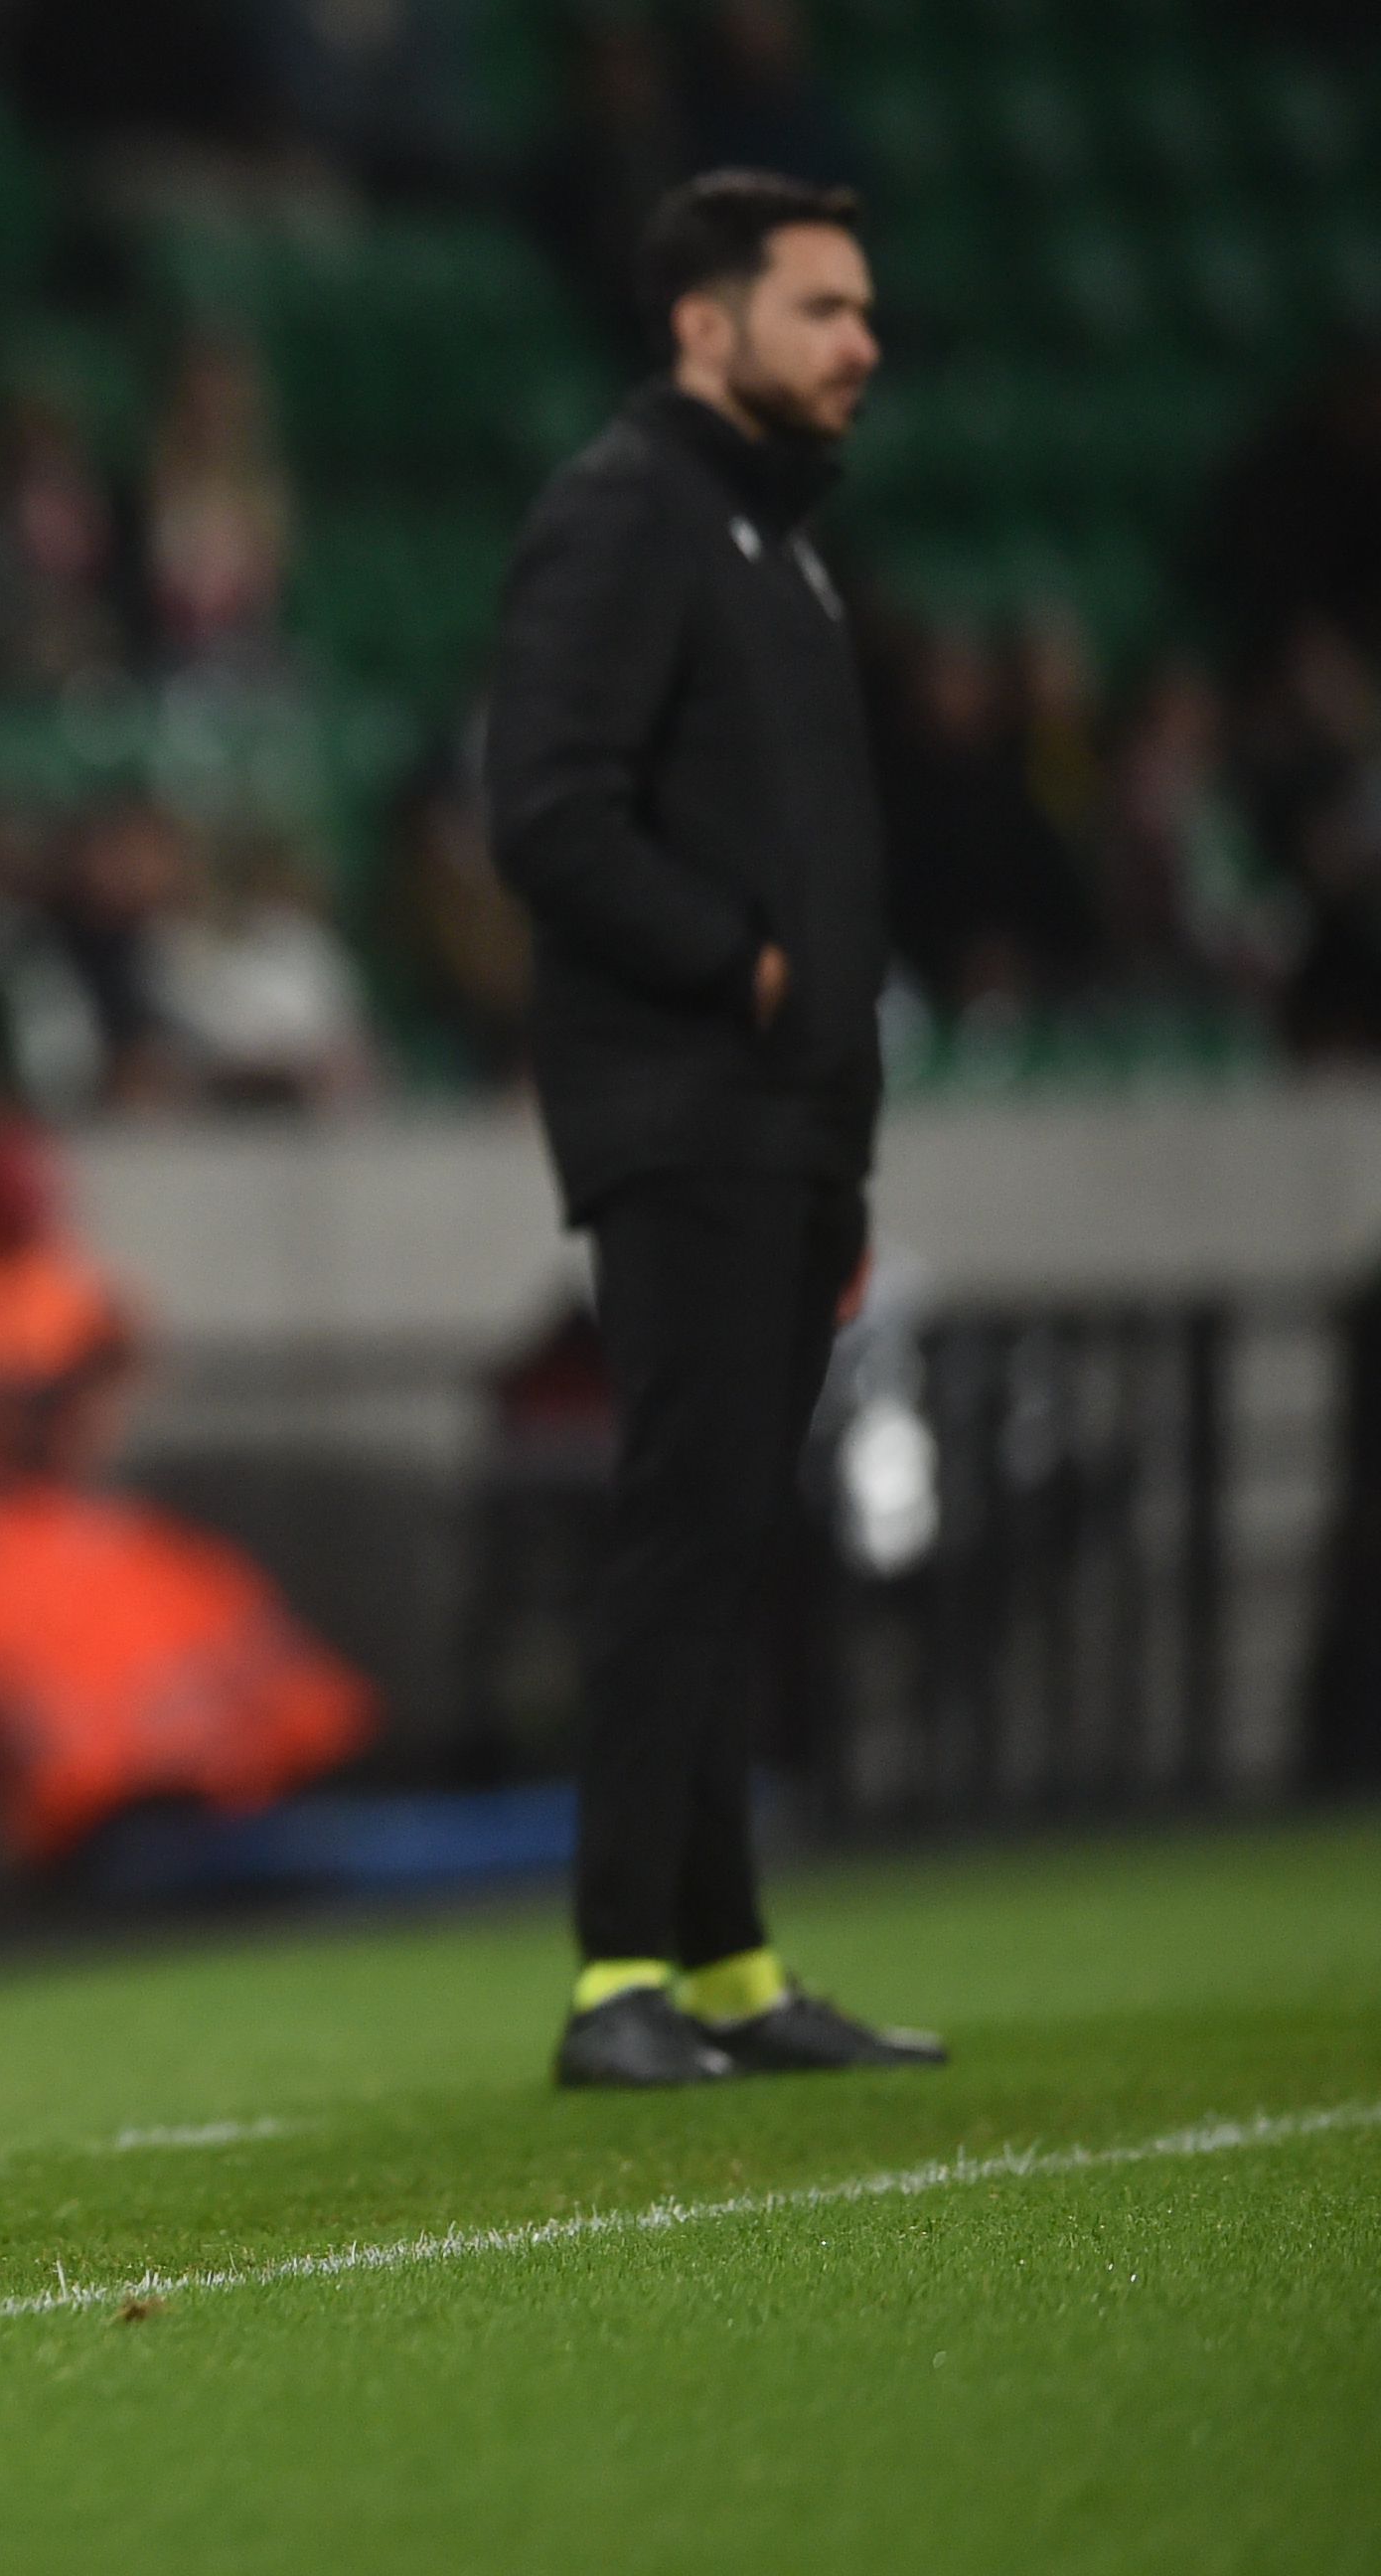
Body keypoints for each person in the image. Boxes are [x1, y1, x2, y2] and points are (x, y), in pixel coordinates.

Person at [486, 170, 944, 2090]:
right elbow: (547, 813)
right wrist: (744, 972)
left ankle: (728, 1965)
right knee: (684, 1524)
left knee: (728, 1529)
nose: (859, 342)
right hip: (686, 1105)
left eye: (861, 311)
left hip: (776, 1117)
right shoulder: (627, 513)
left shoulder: (761, 536)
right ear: (701, 325)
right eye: (819, 309)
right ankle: (615, 1980)